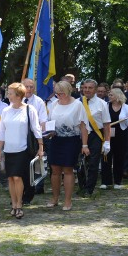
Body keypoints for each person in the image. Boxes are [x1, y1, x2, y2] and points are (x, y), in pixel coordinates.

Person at [0, 83, 43, 219]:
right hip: (8, 149)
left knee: (18, 177)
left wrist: (41, 147)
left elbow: (36, 129)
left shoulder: (29, 109)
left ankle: (20, 205)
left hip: (23, 149)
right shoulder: (6, 111)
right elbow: (2, 131)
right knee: (10, 178)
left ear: (18, 95)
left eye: (10, 93)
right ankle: (14, 204)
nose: (7, 95)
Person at [46, 81, 88, 210]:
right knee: (55, 170)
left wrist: (85, 145)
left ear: (68, 91)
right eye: (57, 93)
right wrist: (48, 131)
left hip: (71, 140)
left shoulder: (77, 105)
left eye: (62, 93)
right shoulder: (53, 104)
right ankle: (55, 198)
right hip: (56, 140)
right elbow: (49, 122)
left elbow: (83, 126)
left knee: (68, 170)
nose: (59, 95)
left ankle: (68, 201)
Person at [78, 79, 111, 196]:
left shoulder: (102, 104)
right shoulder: (78, 102)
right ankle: (81, 186)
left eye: (90, 88)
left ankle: (89, 188)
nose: (87, 90)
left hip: (95, 136)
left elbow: (107, 124)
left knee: (93, 163)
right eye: (85, 87)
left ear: (95, 90)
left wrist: (107, 142)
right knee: (80, 163)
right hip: (80, 136)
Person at [20, 79, 48, 201]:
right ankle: (19, 192)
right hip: (18, 136)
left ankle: (29, 193)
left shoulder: (38, 102)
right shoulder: (16, 99)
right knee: (19, 166)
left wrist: (38, 139)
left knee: (31, 166)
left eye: (31, 87)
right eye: (27, 86)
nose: (29, 89)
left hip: (33, 137)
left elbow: (43, 121)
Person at [100, 88, 128, 189]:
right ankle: (106, 181)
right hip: (107, 135)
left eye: (111, 95)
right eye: (109, 94)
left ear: (117, 96)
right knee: (105, 157)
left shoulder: (126, 107)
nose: (109, 96)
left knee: (119, 158)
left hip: (121, 135)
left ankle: (118, 181)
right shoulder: (105, 106)